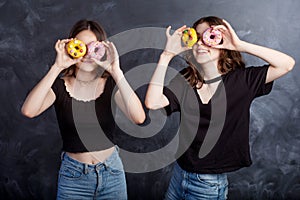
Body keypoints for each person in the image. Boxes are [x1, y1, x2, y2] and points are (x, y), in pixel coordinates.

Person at [145, 16, 295, 200]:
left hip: (208, 185)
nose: (201, 43)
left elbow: (287, 64)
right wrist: (166, 56)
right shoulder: (186, 80)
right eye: (196, 37)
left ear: (223, 44)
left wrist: (240, 45)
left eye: (210, 37)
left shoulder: (242, 81)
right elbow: (152, 102)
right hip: (179, 175)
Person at [21, 19, 145, 199]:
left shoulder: (111, 84)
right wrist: (57, 67)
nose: (87, 53)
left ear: (102, 49)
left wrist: (116, 72)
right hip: (73, 178)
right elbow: (29, 111)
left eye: (93, 47)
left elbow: (138, 117)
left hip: (112, 173)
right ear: (70, 48)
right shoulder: (59, 87)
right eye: (81, 47)